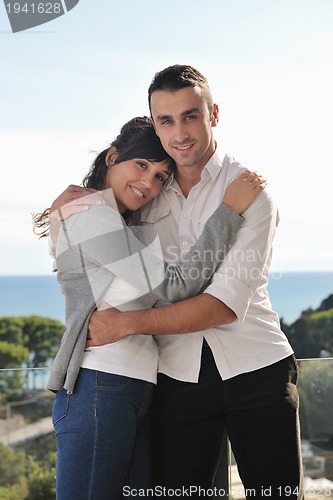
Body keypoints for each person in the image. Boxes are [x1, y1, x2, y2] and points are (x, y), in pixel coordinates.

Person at [80, 66, 304, 499]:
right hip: (177, 379)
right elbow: (99, 217)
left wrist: (128, 323)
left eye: (190, 116)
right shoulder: (146, 192)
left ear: (213, 113)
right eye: (165, 121)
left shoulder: (250, 192)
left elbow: (222, 304)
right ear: (155, 125)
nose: (179, 133)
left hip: (258, 369)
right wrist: (70, 196)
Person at [36, 115, 265, 500]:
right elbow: (175, 286)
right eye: (141, 164)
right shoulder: (89, 215)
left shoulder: (121, 222)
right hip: (99, 386)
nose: (148, 183)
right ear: (112, 157)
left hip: (139, 390)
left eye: (161, 176)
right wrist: (229, 211)